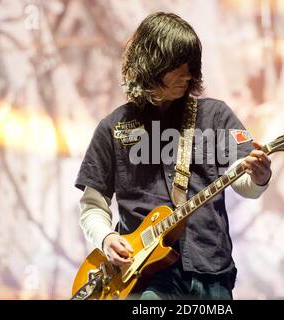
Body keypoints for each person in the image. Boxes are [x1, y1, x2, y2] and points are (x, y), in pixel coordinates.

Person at [75, 12, 272, 300]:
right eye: (178, 66)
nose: (188, 74)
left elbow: (244, 182)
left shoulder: (215, 115)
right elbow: (93, 205)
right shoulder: (113, 128)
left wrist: (260, 176)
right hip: (144, 275)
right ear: (152, 64)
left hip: (210, 270)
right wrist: (106, 238)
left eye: (191, 65)